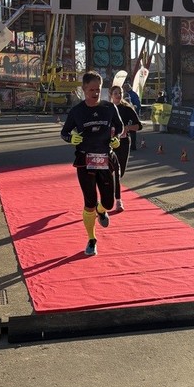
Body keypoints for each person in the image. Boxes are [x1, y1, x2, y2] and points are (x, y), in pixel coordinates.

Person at [61, 71, 124, 256]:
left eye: (98, 89)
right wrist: (71, 138)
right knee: (89, 202)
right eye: (91, 90)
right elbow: (64, 132)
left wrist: (116, 139)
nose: (95, 93)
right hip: (85, 161)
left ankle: (101, 209)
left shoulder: (109, 108)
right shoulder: (77, 111)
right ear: (84, 89)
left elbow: (119, 127)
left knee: (109, 203)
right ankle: (91, 239)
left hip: (105, 158)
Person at [109, 84, 142, 211]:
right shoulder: (107, 109)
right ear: (111, 95)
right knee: (112, 171)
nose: (118, 95)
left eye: (120, 93)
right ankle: (117, 200)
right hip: (109, 143)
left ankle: (113, 190)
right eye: (116, 93)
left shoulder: (127, 109)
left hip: (123, 143)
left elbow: (139, 126)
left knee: (120, 171)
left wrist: (127, 128)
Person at [122, 82, 141, 151]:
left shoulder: (133, 94)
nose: (124, 89)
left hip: (131, 114)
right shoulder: (126, 94)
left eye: (124, 88)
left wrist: (135, 108)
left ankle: (132, 145)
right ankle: (131, 145)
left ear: (127, 88)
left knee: (131, 130)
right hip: (128, 114)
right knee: (130, 130)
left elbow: (137, 104)